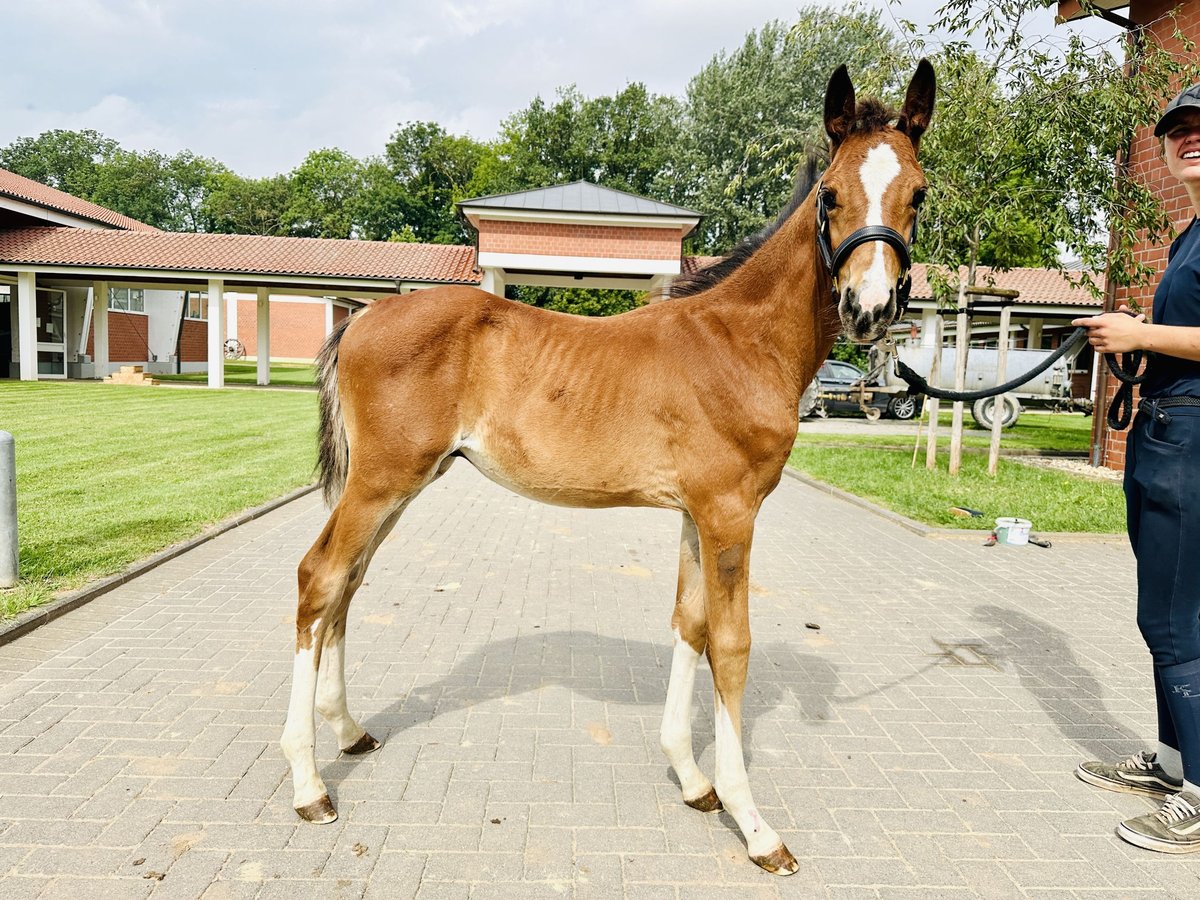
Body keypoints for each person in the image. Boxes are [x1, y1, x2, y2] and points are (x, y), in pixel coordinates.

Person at [1071, 81, 1200, 853]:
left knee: (1172, 618)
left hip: (1191, 443)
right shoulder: (1189, 235)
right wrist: (1140, 330)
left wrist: (1141, 336)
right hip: (1163, 432)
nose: (1190, 138)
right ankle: (1172, 759)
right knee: (1169, 613)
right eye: (1178, 130)